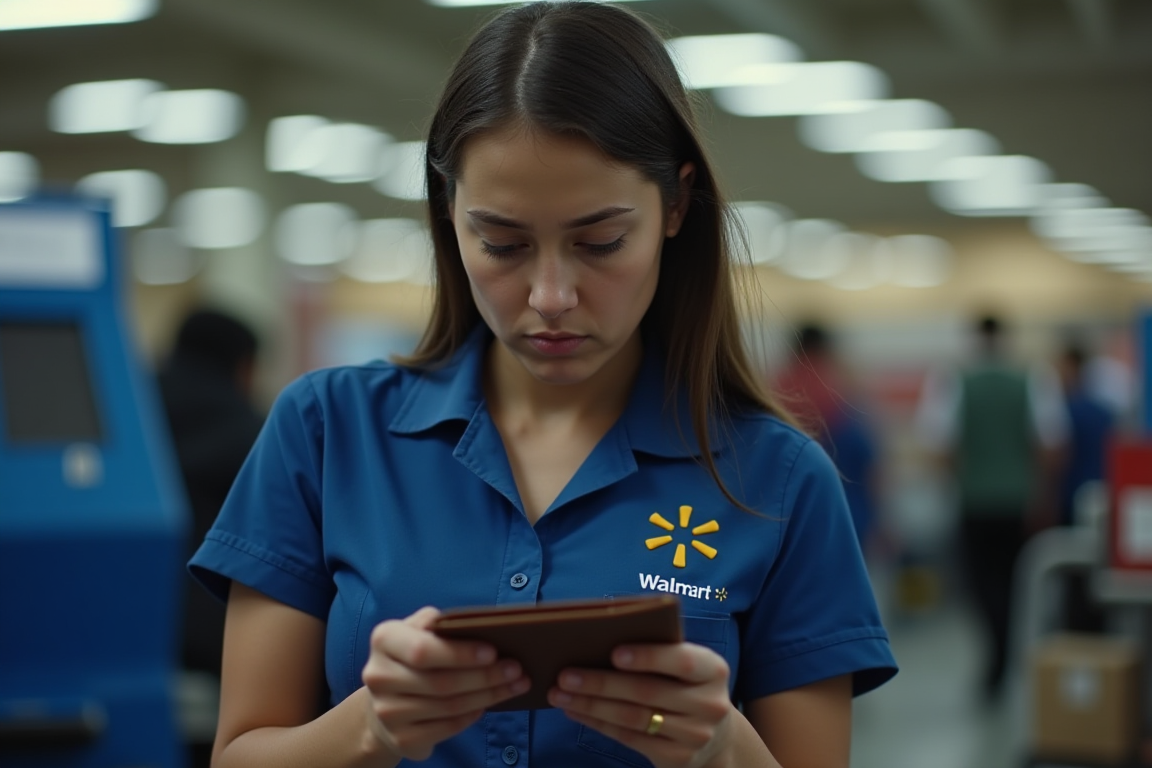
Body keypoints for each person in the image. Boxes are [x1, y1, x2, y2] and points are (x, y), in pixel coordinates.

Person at [189, 4, 897, 767]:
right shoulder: (326, 433)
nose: (551, 295)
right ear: (447, 211)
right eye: (502, 243)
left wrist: (721, 747)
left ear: (676, 206)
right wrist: (372, 727)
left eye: (599, 242)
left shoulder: (779, 484)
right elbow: (240, 755)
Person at [916, 313, 1067, 702]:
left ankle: (996, 659)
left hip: (975, 503)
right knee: (1018, 585)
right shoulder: (1034, 378)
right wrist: (1041, 494)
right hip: (1020, 503)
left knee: (981, 586)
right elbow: (1050, 446)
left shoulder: (952, 380)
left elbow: (940, 444)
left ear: (974, 338)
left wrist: (960, 481)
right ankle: (1011, 656)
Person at [156, 308, 265, 765]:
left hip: (139, 636)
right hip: (222, 653)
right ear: (242, 366)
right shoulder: (254, 436)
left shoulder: (130, 417)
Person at [773, 322, 881, 552]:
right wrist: (881, 521)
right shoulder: (844, 390)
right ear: (827, 349)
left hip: (790, 519)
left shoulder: (776, 392)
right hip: (849, 514)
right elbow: (871, 466)